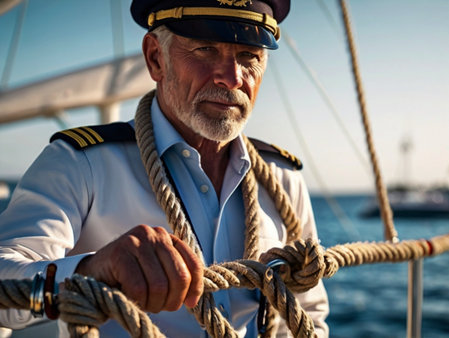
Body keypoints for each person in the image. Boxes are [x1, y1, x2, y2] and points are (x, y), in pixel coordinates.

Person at [0, 0, 329, 336]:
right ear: (155, 58)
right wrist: (92, 270)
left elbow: (308, 316)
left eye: (249, 56)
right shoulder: (79, 163)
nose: (232, 78)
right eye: (206, 49)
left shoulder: (283, 177)